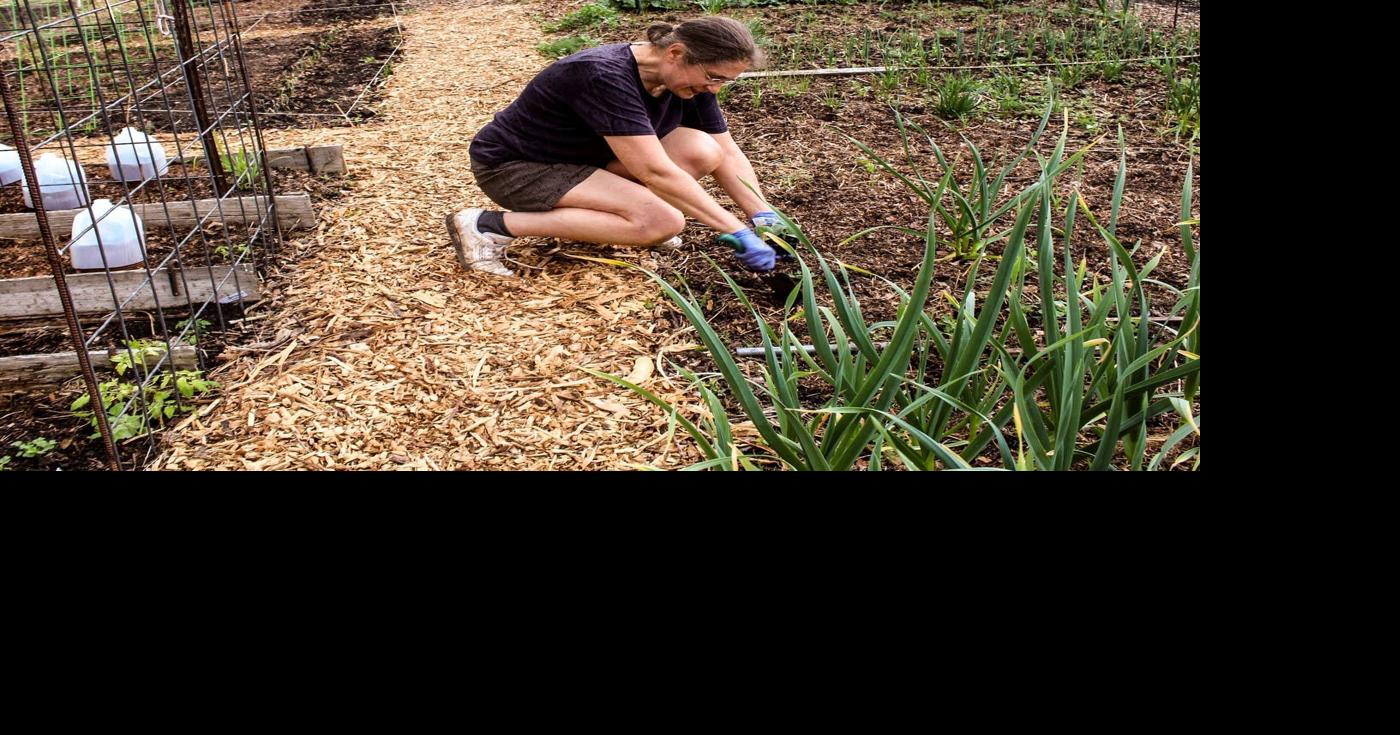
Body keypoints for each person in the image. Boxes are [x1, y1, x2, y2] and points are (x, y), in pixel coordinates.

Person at [447, 16, 795, 277]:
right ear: (676, 53)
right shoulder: (604, 75)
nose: (716, 88)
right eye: (715, 77)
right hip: (519, 167)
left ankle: (619, 215)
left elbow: (727, 151)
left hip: (588, 159)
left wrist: (763, 214)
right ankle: (487, 226)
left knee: (701, 149)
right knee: (663, 222)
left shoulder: (687, 82)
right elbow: (654, 171)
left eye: (724, 81)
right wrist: (735, 230)